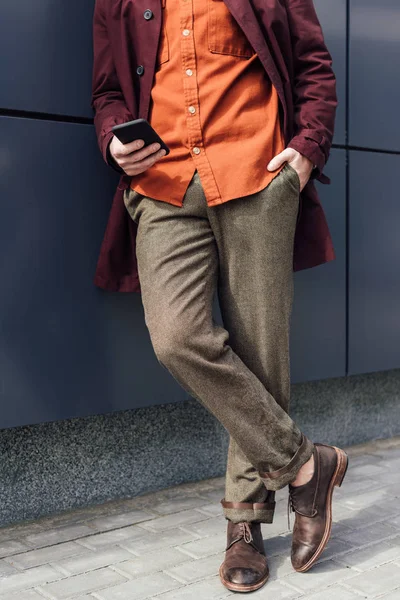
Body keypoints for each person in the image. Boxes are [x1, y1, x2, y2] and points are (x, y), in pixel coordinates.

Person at [91, 0, 348, 592]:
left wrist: (307, 148)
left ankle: (245, 525)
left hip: (257, 171)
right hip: (161, 186)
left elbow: (313, 65)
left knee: (260, 349)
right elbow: (107, 90)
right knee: (178, 337)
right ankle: (307, 464)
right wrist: (113, 142)